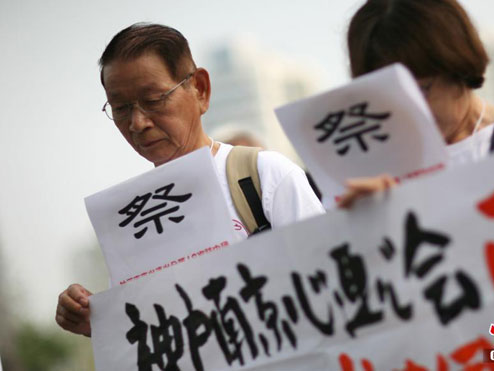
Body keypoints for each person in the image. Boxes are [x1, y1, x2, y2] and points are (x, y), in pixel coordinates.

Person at [55, 23, 324, 337]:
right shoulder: (130, 219)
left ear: (200, 89)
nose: (138, 123)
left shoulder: (264, 176)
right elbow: (149, 333)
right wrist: (100, 323)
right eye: (121, 108)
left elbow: (328, 281)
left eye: (154, 99)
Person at [338, 0, 494, 208]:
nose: (408, 110)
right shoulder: (367, 167)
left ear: (455, 65)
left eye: (421, 90)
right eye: (388, 97)